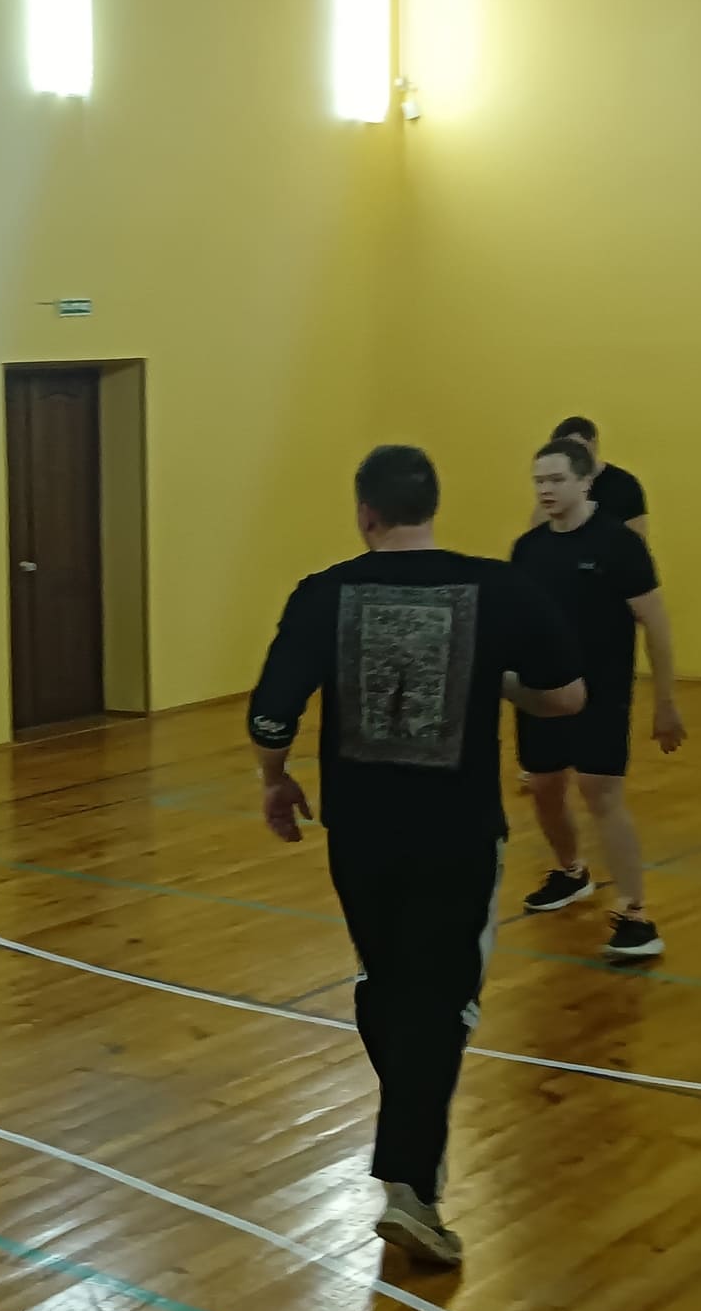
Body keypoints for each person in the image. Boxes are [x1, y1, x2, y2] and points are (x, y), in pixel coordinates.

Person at [248, 445, 585, 1268]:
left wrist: (275, 781)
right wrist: (498, 683)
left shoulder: (323, 593)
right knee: (442, 1004)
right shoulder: (501, 587)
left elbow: (270, 715)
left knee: (387, 983)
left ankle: (410, 1156)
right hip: (458, 834)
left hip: (359, 835)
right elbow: (566, 695)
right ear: (432, 505)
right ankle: (410, 1188)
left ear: (365, 513)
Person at [511, 438, 685, 958]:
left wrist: (666, 702)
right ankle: (571, 872)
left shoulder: (618, 545)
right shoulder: (528, 548)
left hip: (601, 693)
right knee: (544, 785)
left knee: (599, 789)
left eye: (556, 480)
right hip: (541, 692)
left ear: (586, 482)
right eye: (539, 481)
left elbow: (656, 625)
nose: (546, 489)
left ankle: (636, 914)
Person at [552, 417, 649, 536]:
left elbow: (638, 539)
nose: (572, 455)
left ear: (594, 444)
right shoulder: (557, 485)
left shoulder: (625, 484)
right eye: (564, 451)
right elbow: (539, 534)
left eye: (577, 447)